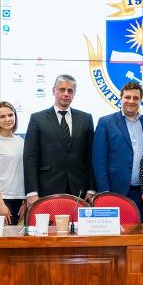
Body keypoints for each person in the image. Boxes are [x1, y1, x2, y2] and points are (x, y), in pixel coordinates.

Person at [24, 74, 95, 206]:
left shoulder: (86, 119)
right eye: (62, 89)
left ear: (74, 94)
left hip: (79, 188)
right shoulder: (37, 119)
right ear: (53, 91)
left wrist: (91, 188)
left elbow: (90, 156)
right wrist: (31, 192)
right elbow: (30, 157)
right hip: (47, 187)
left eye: (70, 91)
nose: (66, 94)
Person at [93, 81, 143, 221]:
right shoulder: (106, 122)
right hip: (115, 190)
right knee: (115, 231)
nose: (131, 101)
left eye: (136, 98)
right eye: (127, 97)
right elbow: (99, 161)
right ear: (121, 98)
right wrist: (104, 193)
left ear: (141, 100)